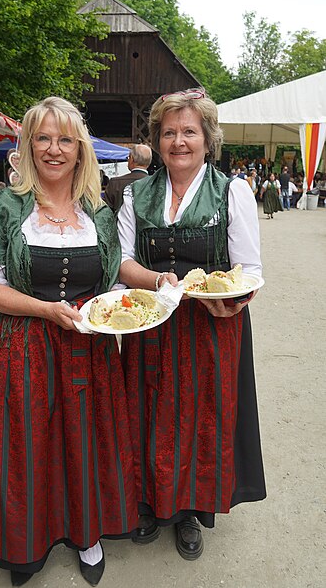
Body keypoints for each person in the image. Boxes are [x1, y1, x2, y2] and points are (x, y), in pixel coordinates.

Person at [0, 96, 137, 587]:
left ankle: (88, 535)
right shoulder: (7, 205)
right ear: (29, 145)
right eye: (43, 137)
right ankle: (25, 542)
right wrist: (44, 309)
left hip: (88, 343)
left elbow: (113, 276)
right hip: (24, 346)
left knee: (85, 439)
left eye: (65, 139)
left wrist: (149, 286)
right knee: (26, 442)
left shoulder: (99, 213)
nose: (54, 149)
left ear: (80, 149)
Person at [117, 88, 266, 561]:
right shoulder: (136, 193)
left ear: (207, 139)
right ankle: (147, 501)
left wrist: (236, 299)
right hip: (151, 324)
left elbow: (249, 269)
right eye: (169, 133)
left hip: (210, 329)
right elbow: (122, 262)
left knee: (199, 418)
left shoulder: (231, 191)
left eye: (188, 131)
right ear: (157, 141)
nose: (178, 141)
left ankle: (187, 510)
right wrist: (161, 278)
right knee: (146, 410)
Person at [103, 144, 152, 213]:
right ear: (149, 162)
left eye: (128, 158)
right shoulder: (157, 184)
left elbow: (105, 213)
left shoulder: (115, 183)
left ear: (131, 159)